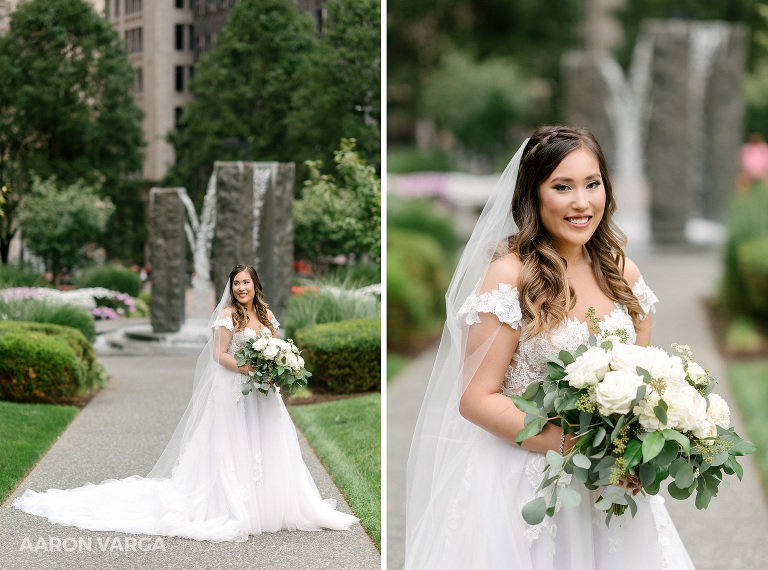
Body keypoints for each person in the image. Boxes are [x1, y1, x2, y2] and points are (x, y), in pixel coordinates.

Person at [403, 127, 696, 569]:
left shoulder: (624, 275)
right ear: (533, 195)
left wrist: (643, 449)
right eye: (562, 187)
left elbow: (644, 383)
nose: (582, 203)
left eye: (592, 184)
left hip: (609, 484)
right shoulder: (510, 276)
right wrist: (571, 444)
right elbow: (476, 399)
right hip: (526, 478)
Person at [12, 264, 358, 542]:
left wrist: (278, 370)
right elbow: (219, 355)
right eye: (236, 283)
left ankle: (272, 505)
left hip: (264, 393)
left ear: (256, 286)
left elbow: (278, 351)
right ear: (231, 287)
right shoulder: (226, 316)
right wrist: (251, 369)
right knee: (233, 445)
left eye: (246, 283)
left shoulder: (267, 316)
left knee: (266, 443)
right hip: (234, 389)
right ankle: (232, 505)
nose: (241, 288)